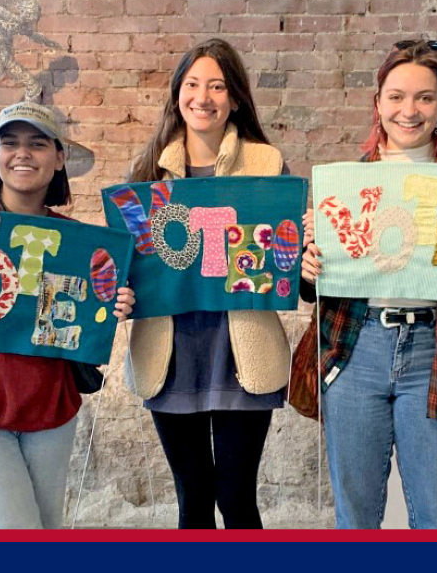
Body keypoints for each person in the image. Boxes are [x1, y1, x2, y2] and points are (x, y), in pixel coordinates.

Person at [298, 40, 437, 529]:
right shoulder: (347, 182)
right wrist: (309, 266)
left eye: (425, 98)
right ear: (378, 103)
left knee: (434, 512)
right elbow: (317, 288)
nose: (410, 110)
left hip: (434, 351)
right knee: (355, 513)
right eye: (397, 96)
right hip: (355, 349)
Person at [0, 101, 135, 529]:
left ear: (59, 157)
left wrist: (112, 306)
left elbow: (81, 324)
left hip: (49, 414)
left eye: (37, 144)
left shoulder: (77, 242)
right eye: (10, 143)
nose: (22, 153)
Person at [124, 38, 288, 529]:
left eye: (217, 85)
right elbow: (130, 262)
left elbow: (281, 250)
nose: (204, 97)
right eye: (193, 84)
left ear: (235, 97)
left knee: (237, 498)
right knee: (192, 500)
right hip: (170, 352)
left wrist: (297, 258)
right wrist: (120, 291)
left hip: (242, 348)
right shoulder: (146, 172)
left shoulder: (268, 164)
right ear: (178, 94)